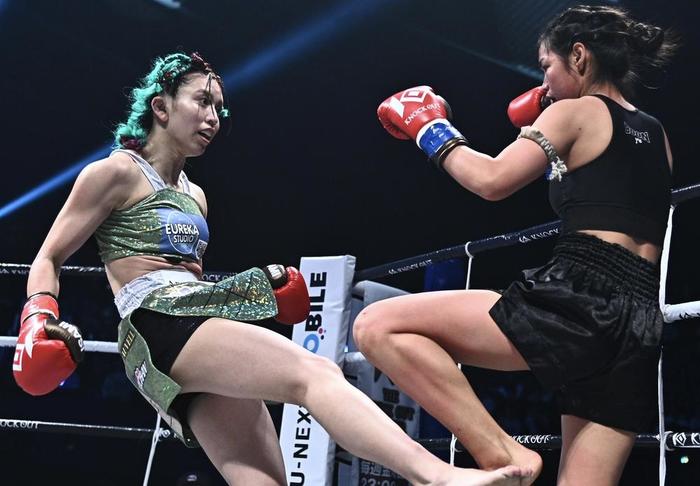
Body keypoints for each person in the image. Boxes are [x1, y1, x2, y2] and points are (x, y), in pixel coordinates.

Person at [12, 51, 532, 486]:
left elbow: (191, 283)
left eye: (219, 107)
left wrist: (246, 295)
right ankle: (436, 476)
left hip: (186, 329)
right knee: (314, 374)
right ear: (161, 106)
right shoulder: (115, 172)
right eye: (201, 101)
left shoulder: (196, 196)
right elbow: (48, 258)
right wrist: (38, 319)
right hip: (156, 321)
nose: (214, 118)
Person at [355, 5, 678, 486]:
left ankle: (503, 453)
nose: (544, 84)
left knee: (377, 326)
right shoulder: (657, 133)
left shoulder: (575, 111)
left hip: (580, 299)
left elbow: (491, 180)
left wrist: (427, 127)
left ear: (579, 56)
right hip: (637, 319)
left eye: (547, 66)